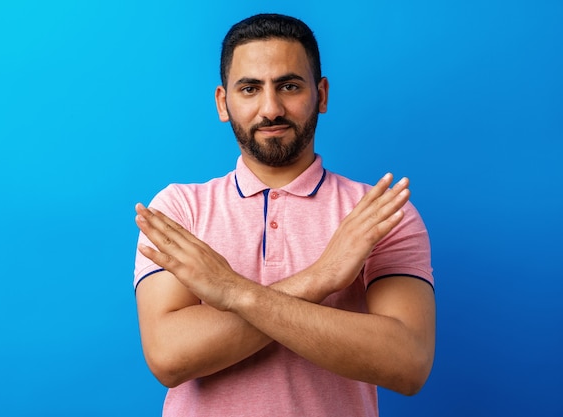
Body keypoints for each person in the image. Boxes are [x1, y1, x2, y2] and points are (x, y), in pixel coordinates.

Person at [133, 13, 435, 417]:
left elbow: (407, 362)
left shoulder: (379, 213)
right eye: (250, 88)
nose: (270, 108)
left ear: (321, 95)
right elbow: (170, 357)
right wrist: (319, 278)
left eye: (289, 86)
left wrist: (233, 292)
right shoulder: (178, 210)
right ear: (223, 102)